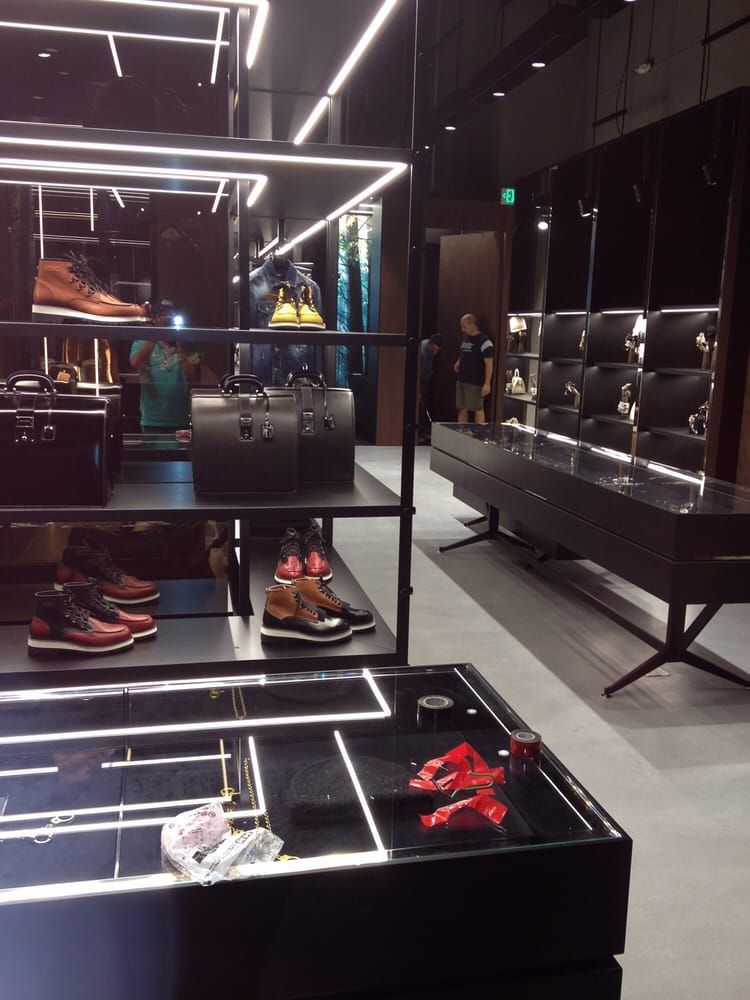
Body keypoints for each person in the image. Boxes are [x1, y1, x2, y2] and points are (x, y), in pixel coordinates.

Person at [130, 338, 200, 433]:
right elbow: (136, 364)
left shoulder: (187, 344)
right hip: (152, 419)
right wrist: (154, 337)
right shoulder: (141, 342)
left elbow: (195, 378)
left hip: (182, 419)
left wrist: (182, 349)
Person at [453, 314, 494, 422]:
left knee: (477, 409)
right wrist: (458, 361)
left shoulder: (484, 341)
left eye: (465, 326)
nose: (463, 329)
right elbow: (464, 352)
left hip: (475, 381)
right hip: (462, 379)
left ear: (472, 324)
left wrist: (487, 383)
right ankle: (462, 431)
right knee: (462, 408)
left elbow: (489, 364)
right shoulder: (465, 337)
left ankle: (479, 432)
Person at [418, 334, 444, 442]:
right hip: (419, 381)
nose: (435, 353)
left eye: (437, 350)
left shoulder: (432, 350)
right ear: (430, 343)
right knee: (419, 407)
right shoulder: (421, 351)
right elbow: (416, 372)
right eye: (434, 349)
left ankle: (423, 431)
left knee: (424, 406)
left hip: (426, 379)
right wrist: (418, 390)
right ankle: (418, 434)